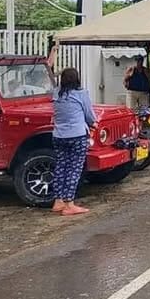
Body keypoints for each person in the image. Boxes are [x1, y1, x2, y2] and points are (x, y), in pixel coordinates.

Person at [50, 67, 95, 216]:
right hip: (77, 135)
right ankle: (69, 204)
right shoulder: (81, 94)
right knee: (74, 169)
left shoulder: (56, 93)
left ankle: (58, 201)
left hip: (58, 135)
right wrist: (92, 123)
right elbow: (89, 116)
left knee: (60, 167)